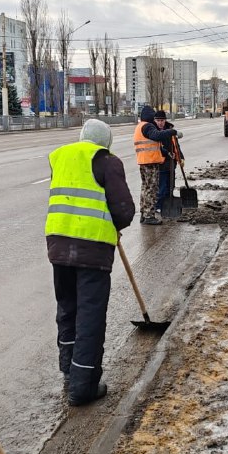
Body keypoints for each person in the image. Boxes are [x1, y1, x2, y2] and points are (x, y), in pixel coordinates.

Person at [46, 120, 135, 406]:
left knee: (67, 309)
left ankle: (69, 372)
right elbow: (124, 209)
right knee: (90, 316)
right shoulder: (108, 162)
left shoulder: (60, 157)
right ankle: (83, 386)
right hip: (92, 250)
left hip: (58, 246)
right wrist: (115, 225)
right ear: (105, 143)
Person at [134, 105, 178, 225]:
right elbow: (156, 136)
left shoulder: (140, 126)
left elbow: (154, 144)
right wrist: (172, 131)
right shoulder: (147, 126)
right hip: (150, 162)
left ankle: (144, 214)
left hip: (144, 161)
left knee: (145, 188)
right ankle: (149, 216)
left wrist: (166, 152)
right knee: (152, 189)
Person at [153, 110, 185, 213]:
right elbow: (158, 147)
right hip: (160, 163)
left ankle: (167, 205)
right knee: (161, 187)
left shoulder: (170, 130)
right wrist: (167, 153)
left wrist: (181, 157)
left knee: (171, 185)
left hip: (171, 164)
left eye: (162, 120)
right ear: (155, 121)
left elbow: (176, 146)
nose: (160, 123)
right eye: (158, 120)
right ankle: (158, 205)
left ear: (165, 120)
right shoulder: (154, 132)